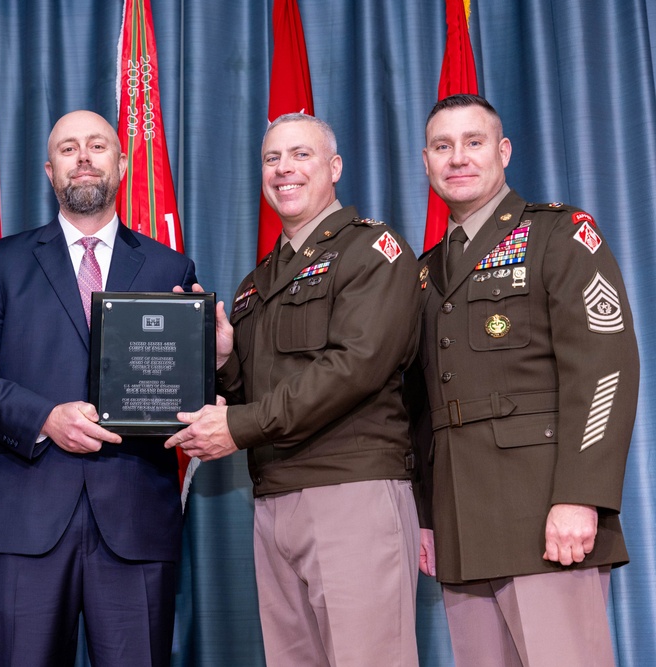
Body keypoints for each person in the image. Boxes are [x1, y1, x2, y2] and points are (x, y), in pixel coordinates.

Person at [0, 110, 197, 667]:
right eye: (68, 148)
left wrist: (214, 357)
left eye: (97, 145)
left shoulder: (169, 266)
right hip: (25, 518)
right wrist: (44, 417)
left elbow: (184, 392)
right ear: (50, 170)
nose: (83, 157)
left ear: (121, 164)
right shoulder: (1, 262)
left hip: (134, 521)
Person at [165, 112, 422, 666]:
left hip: (350, 487)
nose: (284, 169)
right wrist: (226, 360)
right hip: (274, 496)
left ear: (334, 168)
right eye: (272, 159)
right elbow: (257, 390)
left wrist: (236, 428)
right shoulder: (256, 283)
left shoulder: (373, 251)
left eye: (300, 155)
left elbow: (353, 367)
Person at [409, 94, 639, 666]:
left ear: (504, 151)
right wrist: (426, 516)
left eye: (474, 142)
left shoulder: (559, 235)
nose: (457, 158)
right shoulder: (423, 270)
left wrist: (579, 497)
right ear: (426, 161)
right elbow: (418, 404)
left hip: (545, 518)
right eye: (443, 146)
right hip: (461, 525)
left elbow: (604, 370)